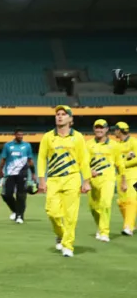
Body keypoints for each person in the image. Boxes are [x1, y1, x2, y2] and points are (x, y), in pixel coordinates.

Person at [37, 106, 91, 257]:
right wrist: (42, 180)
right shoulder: (48, 137)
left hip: (72, 178)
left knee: (71, 215)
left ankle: (68, 245)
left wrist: (86, 181)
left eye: (63, 114)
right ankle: (61, 234)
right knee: (52, 213)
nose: (60, 116)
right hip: (53, 179)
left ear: (70, 119)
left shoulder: (78, 137)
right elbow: (41, 158)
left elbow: (83, 160)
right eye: (57, 114)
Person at [87, 119, 126, 243]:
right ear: (94, 129)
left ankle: (104, 232)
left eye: (101, 127)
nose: (99, 130)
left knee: (105, 203)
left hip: (108, 178)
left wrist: (123, 181)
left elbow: (120, 164)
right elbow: (83, 162)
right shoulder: (88, 145)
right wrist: (89, 172)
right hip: (92, 180)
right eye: (97, 127)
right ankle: (100, 226)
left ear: (107, 129)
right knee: (93, 207)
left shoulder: (114, 145)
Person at [0, 129, 35, 224]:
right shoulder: (8, 145)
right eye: (19, 134)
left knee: (21, 195)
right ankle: (15, 211)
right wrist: (0, 170)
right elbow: (3, 159)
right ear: (15, 135)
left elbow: (30, 160)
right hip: (10, 173)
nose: (20, 136)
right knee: (7, 194)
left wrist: (33, 173)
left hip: (23, 173)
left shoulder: (27, 145)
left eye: (22, 134)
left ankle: (20, 216)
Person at [113, 122, 137, 236]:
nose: (114, 132)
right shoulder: (116, 145)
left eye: (115, 130)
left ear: (119, 131)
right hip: (120, 176)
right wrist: (125, 159)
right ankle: (132, 224)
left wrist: (122, 163)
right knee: (121, 202)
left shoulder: (133, 142)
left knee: (131, 200)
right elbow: (114, 161)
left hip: (133, 175)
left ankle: (128, 227)